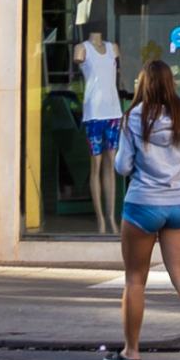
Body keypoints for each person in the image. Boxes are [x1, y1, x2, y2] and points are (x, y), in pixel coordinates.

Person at [103, 57, 180, 360]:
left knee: (135, 280)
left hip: (143, 204)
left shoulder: (134, 117)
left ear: (143, 85)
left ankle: (131, 351)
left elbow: (122, 167)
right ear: (172, 84)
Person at [76, 21, 126, 234]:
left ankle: (111, 218)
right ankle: (101, 221)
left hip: (113, 111)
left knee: (110, 166)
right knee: (96, 164)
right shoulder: (81, 49)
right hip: (94, 112)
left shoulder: (113, 48)